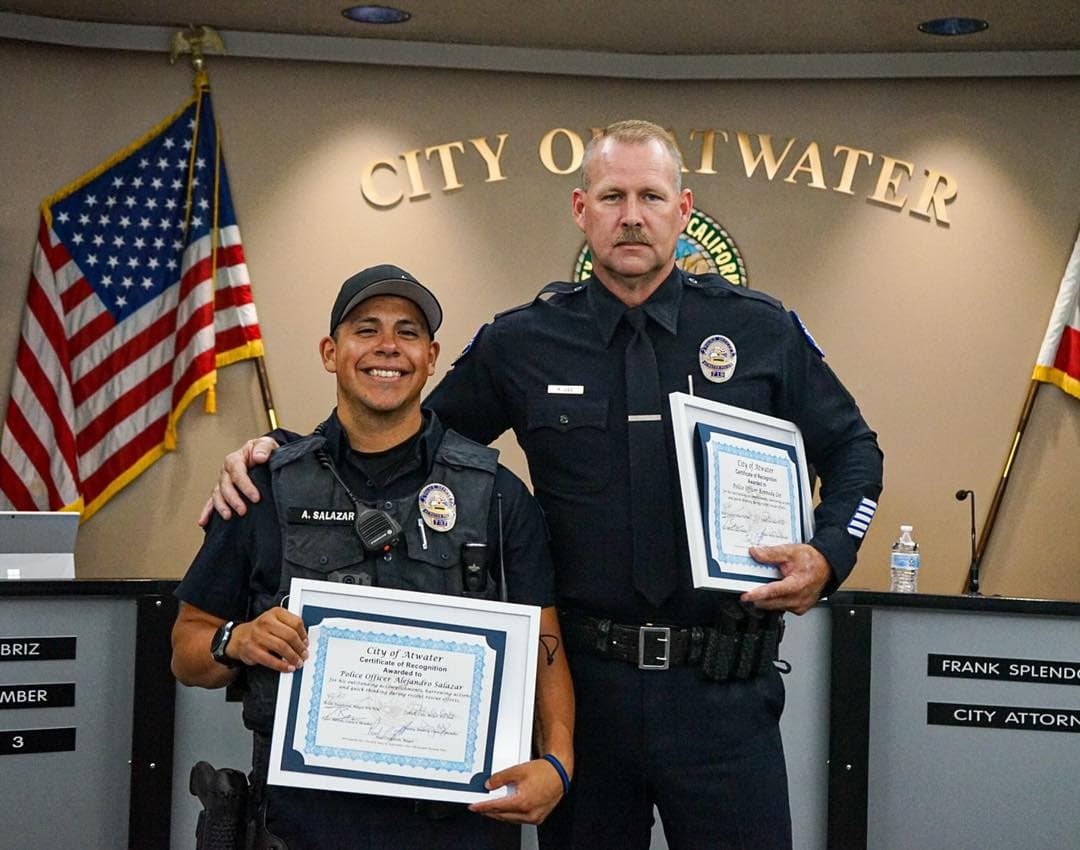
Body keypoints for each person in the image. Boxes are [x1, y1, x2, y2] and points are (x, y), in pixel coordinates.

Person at [203, 121, 883, 850]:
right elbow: (403, 431)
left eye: (650, 196)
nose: (631, 215)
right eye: (612, 195)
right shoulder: (522, 341)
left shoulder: (759, 330)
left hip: (722, 690)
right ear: (580, 209)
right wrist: (286, 452)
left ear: (683, 211)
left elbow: (854, 451)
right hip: (584, 690)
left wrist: (828, 552)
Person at [173, 265, 574, 850]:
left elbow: (545, 646)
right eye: (367, 330)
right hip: (305, 824)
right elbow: (188, 650)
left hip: (457, 825)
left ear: (432, 357)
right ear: (330, 352)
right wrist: (235, 641)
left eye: (408, 332)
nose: (388, 346)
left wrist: (557, 762)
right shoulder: (264, 488)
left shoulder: (496, 493)